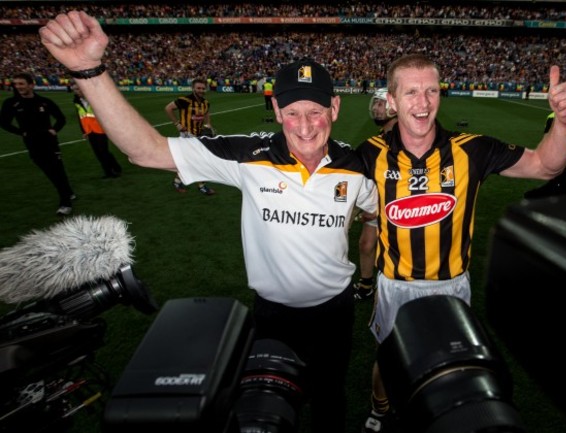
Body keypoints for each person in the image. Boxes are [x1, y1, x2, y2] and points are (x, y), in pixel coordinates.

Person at [39, 11, 377, 433]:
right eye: (293, 112)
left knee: (331, 396)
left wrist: (370, 232)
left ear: (336, 107)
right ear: (275, 109)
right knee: (264, 405)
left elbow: (377, 211)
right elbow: (145, 150)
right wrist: (87, 70)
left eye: (316, 111)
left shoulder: (360, 167)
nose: (306, 126)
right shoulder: (245, 155)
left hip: (335, 311)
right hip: (272, 314)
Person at [355, 53, 566, 432]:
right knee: (388, 356)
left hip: (451, 285)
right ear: (392, 101)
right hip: (395, 285)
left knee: (453, 365)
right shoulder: (368, 154)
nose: (423, 103)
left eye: (431, 91)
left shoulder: (470, 149)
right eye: (411, 92)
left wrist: (564, 123)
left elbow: (547, 165)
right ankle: (380, 410)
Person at [0, 72, 76, 216]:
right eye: (16, 84)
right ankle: (68, 192)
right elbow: (3, 122)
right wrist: (20, 132)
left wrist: (55, 130)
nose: (18, 87)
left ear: (31, 85)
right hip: (32, 143)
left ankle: (65, 202)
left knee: (57, 170)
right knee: (49, 171)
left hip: (49, 141)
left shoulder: (44, 101)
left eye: (21, 84)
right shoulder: (11, 103)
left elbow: (61, 118)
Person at [354, 88, 397, 300]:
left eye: (381, 104)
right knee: (366, 243)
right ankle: (366, 285)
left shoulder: (407, 139)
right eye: (375, 104)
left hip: (399, 208)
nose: (376, 108)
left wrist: (377, 209)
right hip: (379, 203)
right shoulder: (380, 139)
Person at [164, 77, 215, 195]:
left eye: (203, 88)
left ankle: (177, 181)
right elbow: (168, 108)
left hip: (200, 134)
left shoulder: (206, 103)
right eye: (198, 88)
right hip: (187, 134)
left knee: (191, 161)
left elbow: (207, 114)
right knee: (199, 160)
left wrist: (208, 125)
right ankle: (201, 186)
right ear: (193, 88)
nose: (201, 90)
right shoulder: (184, 100)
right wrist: (177, 123)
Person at [70, 82, 122, 178]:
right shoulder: (76, 101)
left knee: (103, 151)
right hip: (90, 130)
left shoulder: (95, 99)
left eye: (78, 89)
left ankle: (110, 172)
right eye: (75, 90)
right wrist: (84, 131)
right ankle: (115, 167)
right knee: (99, 152)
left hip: (100, 129)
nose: (76, 92)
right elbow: (80, 117)